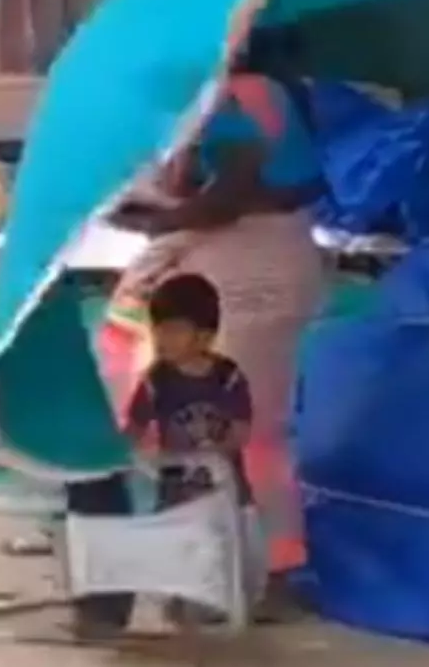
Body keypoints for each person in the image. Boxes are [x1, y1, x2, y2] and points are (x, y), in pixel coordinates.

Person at [106, 28, 326, 573]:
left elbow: (230, 195)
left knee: (213, 421)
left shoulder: (238, 97)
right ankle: (258, 559)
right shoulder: (271, 92)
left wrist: (151, 221)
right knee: (255, 426)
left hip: (247, 267)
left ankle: (227, 562)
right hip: (275, 260)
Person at [125, 274, 252, 509]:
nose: (162, 338)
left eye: (174, 330)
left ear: (205, 337)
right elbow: (133, 431)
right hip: (176, 497)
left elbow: (241, 431)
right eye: (158, 329)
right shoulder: (155, 381)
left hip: (224, 492)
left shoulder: (228, 378)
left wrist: (211, 457)